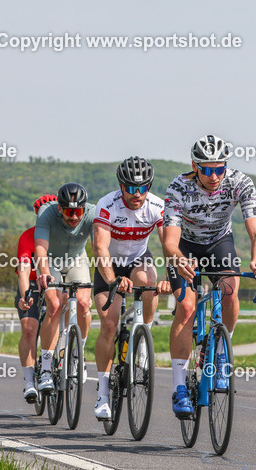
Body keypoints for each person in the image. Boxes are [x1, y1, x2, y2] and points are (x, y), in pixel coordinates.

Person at [164, 134, 256, 418]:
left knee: (230, 292)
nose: (214, 176)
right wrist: (179, 259)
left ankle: (221, 353)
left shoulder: (240, 182)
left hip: (219, 243)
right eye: (207, 170)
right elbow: (169, 242)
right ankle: (179, 387)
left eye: (219, 169)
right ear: (194, 166)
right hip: (184, 247)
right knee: (187, 307)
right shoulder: (178, 187)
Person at [90, 157, 168, 421]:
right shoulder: (107, 205)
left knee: (149, 281)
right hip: (109, 264)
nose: (137, 194)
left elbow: (169, 245)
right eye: (131, 188)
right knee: (109, 324)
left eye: (142, 188)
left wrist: (171, 278)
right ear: (121, 186)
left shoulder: (157, 206)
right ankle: (102, 394)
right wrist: (113, 280)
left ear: (149, 186)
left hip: (138, 259)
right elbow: (100, 247)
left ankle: (143, 336)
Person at [32, 183, 95, 393]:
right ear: (60, 208)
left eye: (78, 212)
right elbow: (40, 249)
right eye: (69, 212)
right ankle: (46, 369)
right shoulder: (46, 213)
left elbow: (99, 247)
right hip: (51, 260)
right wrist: (44, 273)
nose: (75, 217)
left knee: (84, 304)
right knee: (55, 305)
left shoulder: (92, 213)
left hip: (77, 259)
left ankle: (78, 355)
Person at [15, 193, 57, 402]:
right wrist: (25, 295)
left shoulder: (63, 236)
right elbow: (23, 272)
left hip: (55, 282)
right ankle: (29, 381)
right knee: (29, 328)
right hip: (32, 283)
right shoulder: (27, 237)